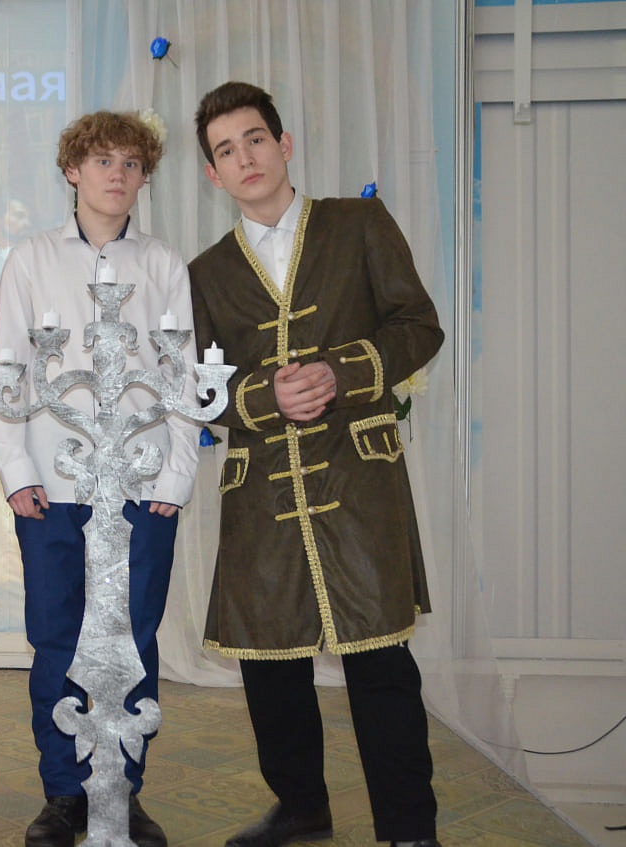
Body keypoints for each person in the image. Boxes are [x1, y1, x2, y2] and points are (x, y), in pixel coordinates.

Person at [187, 81, 444, 847]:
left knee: (380, 661)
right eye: (226, 150)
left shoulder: (358, 224)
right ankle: (301, 807)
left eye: (255, 138)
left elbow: (418, 325)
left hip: (357, 480)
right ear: (213, 174)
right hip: (261, 490)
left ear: (284, 144)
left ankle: (409, 827)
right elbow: (201, 388)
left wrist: (344, 372)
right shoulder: (205, 271)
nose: (245, 157)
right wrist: (263, 395)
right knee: (270, 667)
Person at [0, 110, 198, 847]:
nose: (117, 174)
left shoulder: (163, 265)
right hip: (53, 485)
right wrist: (15, 469)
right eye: (103, 160)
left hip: (140, 485)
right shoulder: (32, 259)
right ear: (72, 170)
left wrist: (175, 474)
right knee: (56, 638)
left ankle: (121, 790)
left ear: (144, 178)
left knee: (134, 638)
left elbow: (181, 377)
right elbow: (6, 370)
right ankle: (65, 793)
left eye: (131, 164)